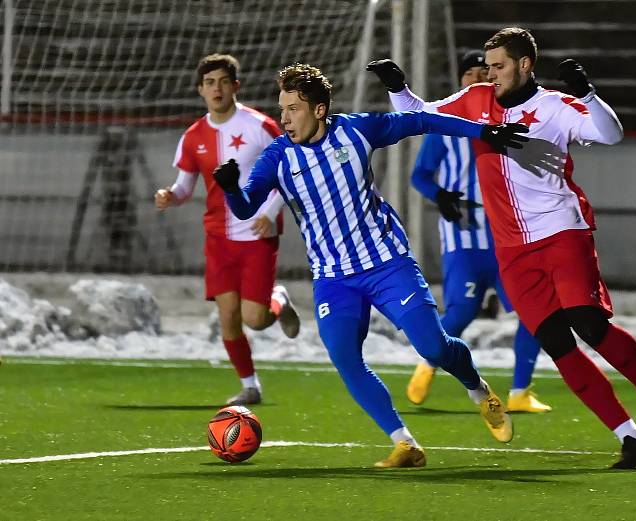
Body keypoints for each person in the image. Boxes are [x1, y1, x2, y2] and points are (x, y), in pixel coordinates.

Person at [368, 27, 636, 469]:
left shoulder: (555, 107)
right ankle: (630, 437)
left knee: (589, 324)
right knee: (556, 343)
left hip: (562, 230)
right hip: (511, 248)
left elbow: (610, 134)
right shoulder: (476, 99)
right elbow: (419, 116)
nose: (492, 73)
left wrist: (588, 93)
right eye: (489, 65)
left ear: (525, 65)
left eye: (500, 65)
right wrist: (398, 87)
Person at [213, 63, 528, 468]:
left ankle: (478, 388)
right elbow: (246, 208)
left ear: (320, 109)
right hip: (333, 278)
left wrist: (483, 131)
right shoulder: (277, 156)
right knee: (345, 357)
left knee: (432, 347)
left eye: (293, 108)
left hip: (386, 263)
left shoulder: (357, 130)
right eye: (282, 109)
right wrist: (230, 188)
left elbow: (419, 121)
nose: (285, 118)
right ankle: (405, 443)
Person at [405, 50, 550, 414]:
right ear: (460, 80)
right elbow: (419, 175)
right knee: (463, 309)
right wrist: (440, 195)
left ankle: (520, 391)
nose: (477, 78)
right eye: (469, 73)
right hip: (464, 233)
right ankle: (428, 362)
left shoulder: (509, 119)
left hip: (508, 234)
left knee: (534, 311)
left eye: (484, 72)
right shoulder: (445, 124)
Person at [154, 54, 300, 406]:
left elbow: (290, 169)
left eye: (222, 81)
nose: (216, 89)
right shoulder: (193, 136)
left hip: (257, 232)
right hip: (219, 237)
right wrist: (170, 196)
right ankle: (250, 386)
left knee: (256, 318)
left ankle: (278, 301)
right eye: (209, 83)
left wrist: (271, 210)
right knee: (228, 318)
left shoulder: (261, 126)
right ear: (200, 90)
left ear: (236, 85)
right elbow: (186, 186)